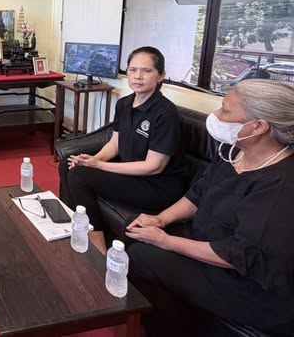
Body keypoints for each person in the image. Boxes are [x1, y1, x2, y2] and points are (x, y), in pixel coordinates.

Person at [126, 79, 294, 336]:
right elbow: (198, 194)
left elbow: (238, 254)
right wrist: (160, 219)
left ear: (258, 126)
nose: (216, 116)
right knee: (134, 229)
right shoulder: (232, 151)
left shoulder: (282, 185)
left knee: (143, 256)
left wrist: (165, 241)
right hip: (207, 243)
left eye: (225, 110)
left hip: (249, 283)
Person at [59, 46, 186, 253]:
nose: (138, 76)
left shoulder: (166, 113)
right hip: (130, 173)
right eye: (133, 70)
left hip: (156, 186)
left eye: (147, 71)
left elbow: (153, 167)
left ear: (161, 76)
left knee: (80, 176)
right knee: (70, 163)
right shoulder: (124, 104)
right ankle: (74, 223)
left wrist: (99, 165)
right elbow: (115, 143)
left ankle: (97, 245)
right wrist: (92, 159)